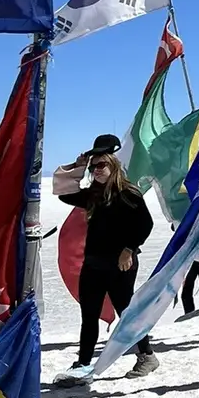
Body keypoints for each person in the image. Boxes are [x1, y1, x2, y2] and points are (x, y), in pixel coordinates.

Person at [53, 134, 159, 379]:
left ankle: (147, 355)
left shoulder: (127, 192)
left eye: (101, 165)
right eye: (93, 167)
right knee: (88, 314)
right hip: (93, 263)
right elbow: (62, 191)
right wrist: (78, 167)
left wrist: (129, 249)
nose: (96, 170)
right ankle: (83, 364)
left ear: (114, 165)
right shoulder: (93, 194)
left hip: (120, 264)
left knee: (126, 312)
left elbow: (145, 223)